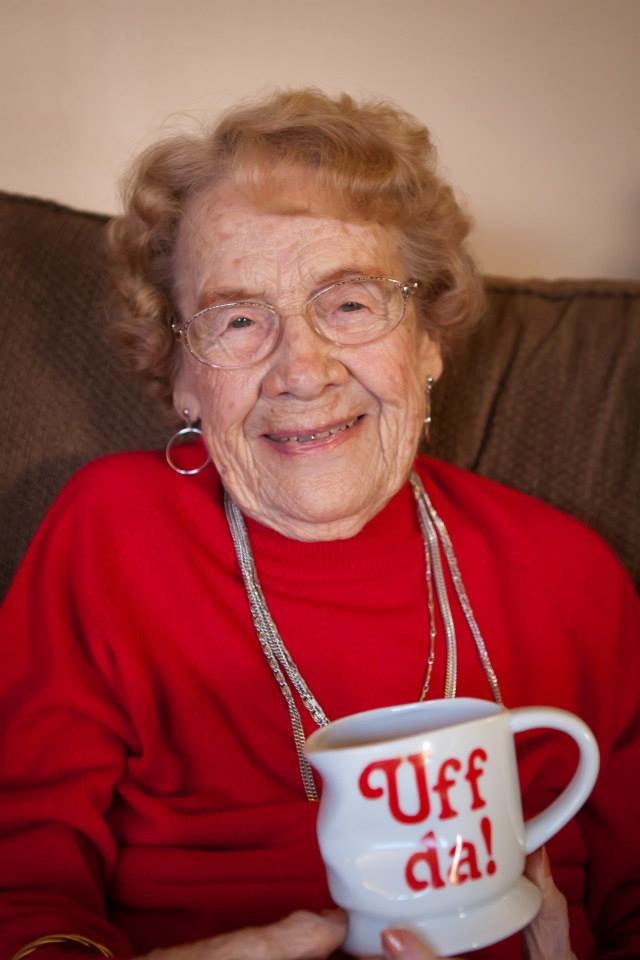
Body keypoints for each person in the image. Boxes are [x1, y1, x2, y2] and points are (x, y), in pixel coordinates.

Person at [0, 88, 638, 960]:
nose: (302, 370)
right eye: (237, 319)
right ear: (182, 374)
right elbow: (19, 873)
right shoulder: (111, 535)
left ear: (427, 341)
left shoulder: (567, 572)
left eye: (349, 304)